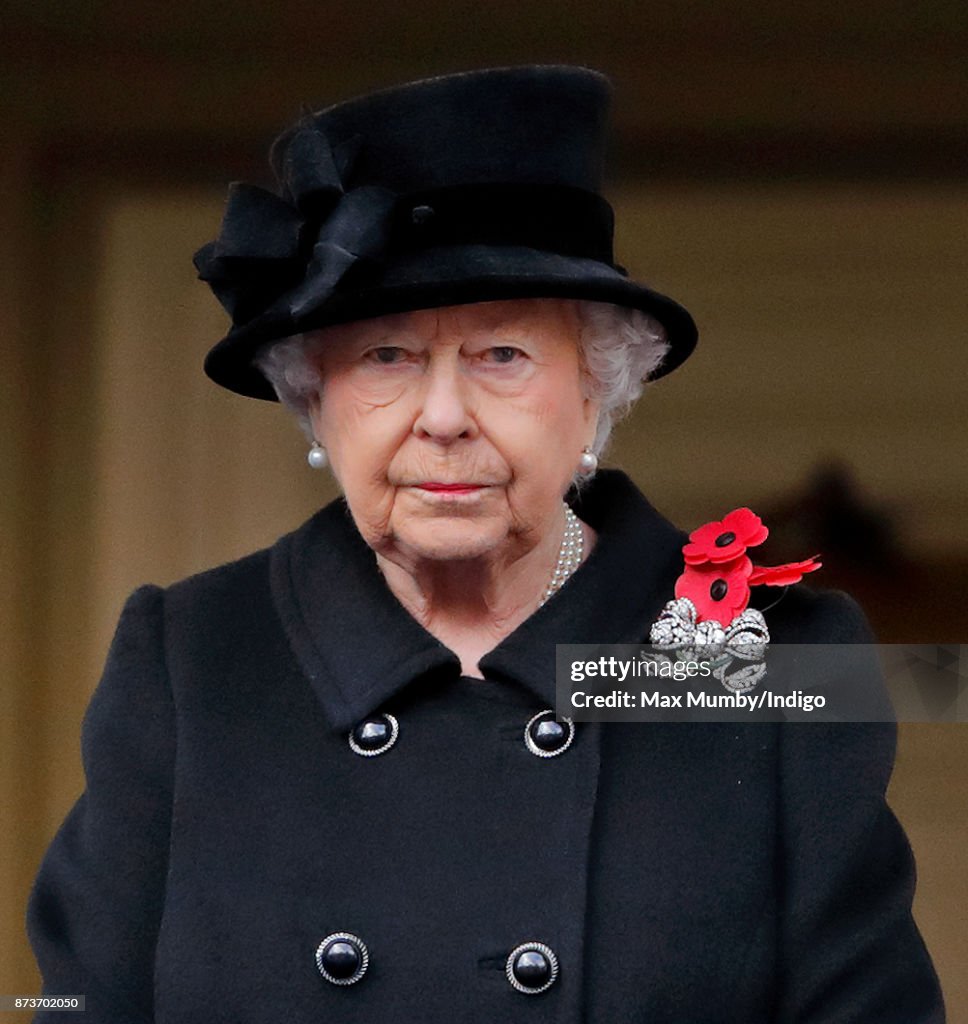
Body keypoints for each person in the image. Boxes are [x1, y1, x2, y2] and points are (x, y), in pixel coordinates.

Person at [27, 66, 944, 1022]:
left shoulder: (773, 660)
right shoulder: (191, 658)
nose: (443, 417)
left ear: (597, 388)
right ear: (313, 401)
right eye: (387, 356)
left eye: (501, 355)